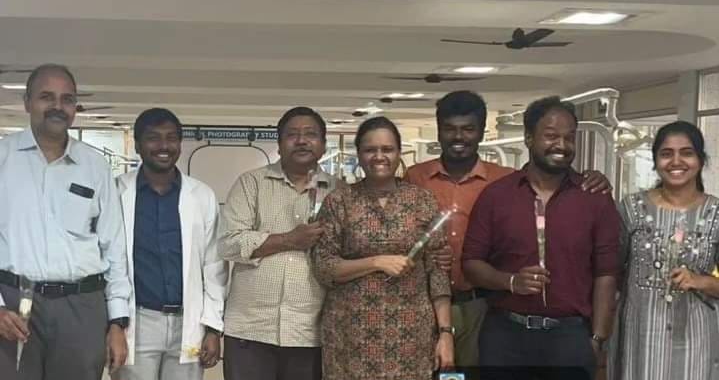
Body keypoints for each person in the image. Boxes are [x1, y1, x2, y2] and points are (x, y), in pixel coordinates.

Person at [405, 90, 612, 367]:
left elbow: (607, 270)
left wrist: (598, 338)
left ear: (481, 132)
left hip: (480, 306)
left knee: (468, 374)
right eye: (450, 129)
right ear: (439, 131)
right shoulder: (415, 178)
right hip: (426, 302)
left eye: (468, 129)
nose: (459, 137)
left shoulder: (502, 182)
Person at [462, 96, 620, 380]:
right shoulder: (497, 196)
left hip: (570, 338)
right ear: (528, 138)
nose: (562, 145)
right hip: (505, 338)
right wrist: (511, 281)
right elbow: (471, 263)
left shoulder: (595, 198)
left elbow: (606, 274)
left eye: (569, 137)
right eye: (551, 136)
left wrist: (598, 339)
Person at [0, 64, 131, 380]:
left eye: (67, 99)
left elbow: (114, 246)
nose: (58, 106)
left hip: (81, 308)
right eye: (47, 97)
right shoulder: (3, 158)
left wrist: (117, 322)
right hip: (15, 304)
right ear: (27, 102)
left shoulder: (95, 165)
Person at [313, 116, 453, 380]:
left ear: (399, 153)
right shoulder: (339, 201)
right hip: (350, 335)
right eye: (370, 150)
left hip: (412, 334)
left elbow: (438, 273)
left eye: (387, 149)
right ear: (359, 154)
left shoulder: (422, 200)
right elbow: (323, 267)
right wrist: (375, 262)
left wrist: (446, 334)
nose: (379, 156)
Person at [218, 106, 342, 380]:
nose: (301, 141)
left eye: (310, 134)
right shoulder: (251, 183)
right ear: (279, 143)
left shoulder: (339, 192)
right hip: (250, 330)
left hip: (310, 333)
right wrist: (288, 240)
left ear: (323, 145)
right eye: (292, 134)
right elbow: (228, 243)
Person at [113, 108, 228, 380]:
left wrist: (213, 328)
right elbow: (109, 262)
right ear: (137, 145)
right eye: (153, 138)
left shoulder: (202, 195)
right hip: (138, 321)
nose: (163, 146)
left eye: (171, 138)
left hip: (189, 320)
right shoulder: (116, 191)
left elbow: (214, 266)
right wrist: (113, 323)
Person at [608, 121, 719, 380]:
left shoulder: (715, 213)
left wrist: (701, 281)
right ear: (656, 161)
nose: (676, 161)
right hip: (639, 339)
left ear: (700, 160)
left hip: (695, 340)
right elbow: (609, 271)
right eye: (666, 154)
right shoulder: (632, 208)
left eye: (686, 153)